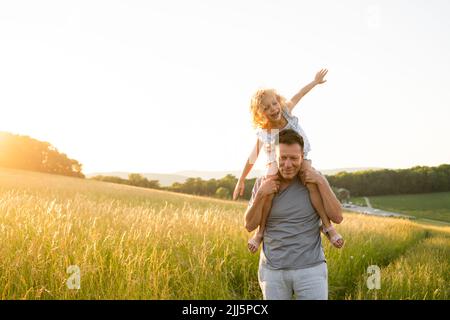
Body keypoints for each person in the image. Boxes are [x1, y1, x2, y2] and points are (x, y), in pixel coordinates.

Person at [234, 69, 344, 253]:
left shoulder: (286, 111)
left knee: (311, 179)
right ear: (260, 113)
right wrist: (241, 179)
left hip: (299, 155)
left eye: (274, 104)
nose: (273, 109)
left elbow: (300, 93)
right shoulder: (265, 130)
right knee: (268, 188)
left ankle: (327, 226)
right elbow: (253, 156)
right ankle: (260, 233)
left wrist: (315, 82)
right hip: (275, 162)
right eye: (266, 108)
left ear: (279, 101)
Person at [244, 129, 343, 300]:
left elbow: (337, 216)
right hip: (273, 272)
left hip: (311, 271)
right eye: (283, 158)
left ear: (302, 157)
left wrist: (320, 180)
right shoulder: (264, 183)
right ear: (275, 157)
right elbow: (249, 225)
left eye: (294, 158)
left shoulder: (313, 179)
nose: (288, 164)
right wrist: (260, 193)